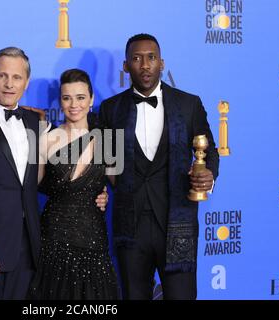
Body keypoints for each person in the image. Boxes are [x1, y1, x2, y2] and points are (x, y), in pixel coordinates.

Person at [0, 47, 109, 299]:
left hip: (30, 252)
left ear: (27, 82)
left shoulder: (35, 124)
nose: (10, 84)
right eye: (3, 76)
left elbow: (62, 166)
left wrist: (99, 188)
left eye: (17, 77)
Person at [99, 34, 219, 300]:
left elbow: (209, 150)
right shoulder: (110, 109)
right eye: (137, 58)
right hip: (130, 226)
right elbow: (104, 161)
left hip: (177, 220)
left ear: (161, 63)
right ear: (126, 65)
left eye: (151, 57)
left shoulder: (189, 104)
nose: (144, 65)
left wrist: (209, 177)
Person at [28, 69, 119, 300]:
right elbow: (31, 186)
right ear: (60, 101)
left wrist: (106, 193)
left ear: (91, 100)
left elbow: (123, 185)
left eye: (80, 97)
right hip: (54, 239)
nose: (73, 104)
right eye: (66, 98)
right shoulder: (45, 138)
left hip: (93, 239)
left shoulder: (107, 139)